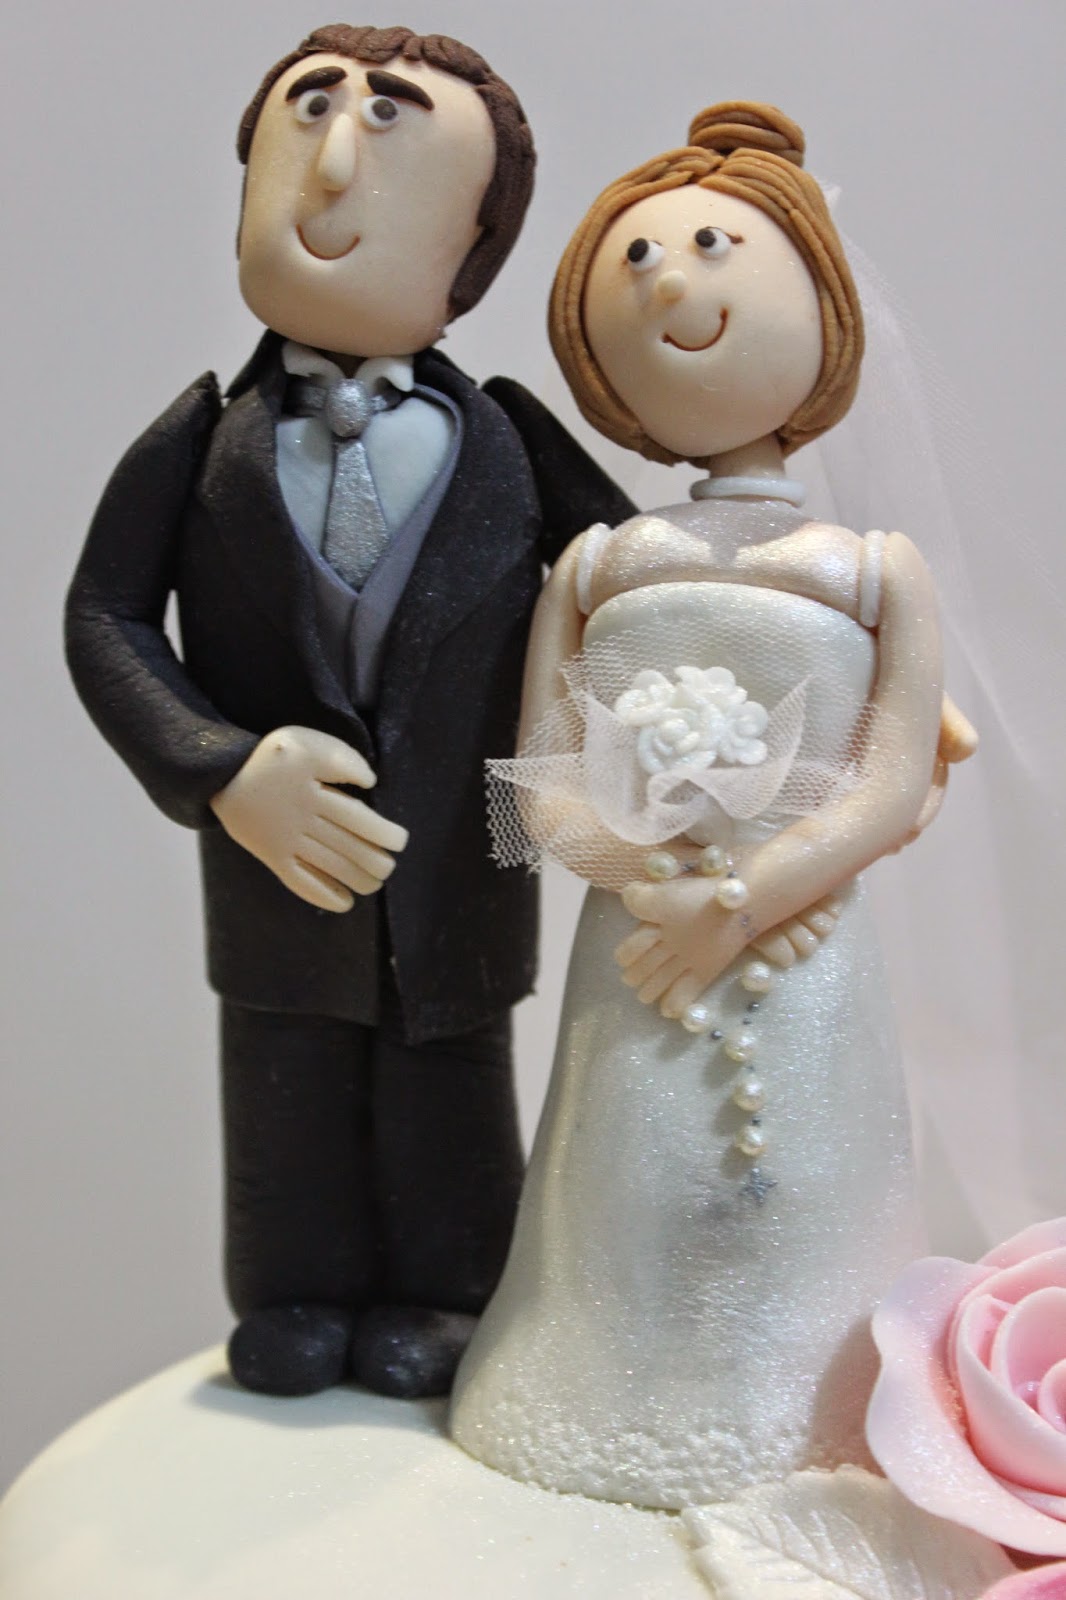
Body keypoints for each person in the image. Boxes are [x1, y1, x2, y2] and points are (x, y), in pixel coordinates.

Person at [65, 24, 633, 1401]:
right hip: (273, 874)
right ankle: (298, 1290)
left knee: (451, 1088)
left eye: (389, 142)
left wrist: (771, 647)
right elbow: (105, 619)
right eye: (304, 125)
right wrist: (220, 768)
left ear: (474, 244)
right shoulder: (200, 439)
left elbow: (631, 579)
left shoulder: (508, 434)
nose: (329, 173)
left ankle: (449, 1289)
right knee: (285, 1092)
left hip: (460, 867)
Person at [450, 102, 972, 1506]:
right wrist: (651, 885)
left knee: (805, 1173)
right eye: (631, 261)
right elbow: (542, 785)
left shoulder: (870, 569)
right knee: (630, 1159)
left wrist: (742, 901)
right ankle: (595, 1392)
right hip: (638, 945)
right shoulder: (593, 568)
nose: (667, 282)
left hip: (804, 944)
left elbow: (890, 780)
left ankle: (815, 1404)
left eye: (709, 247)